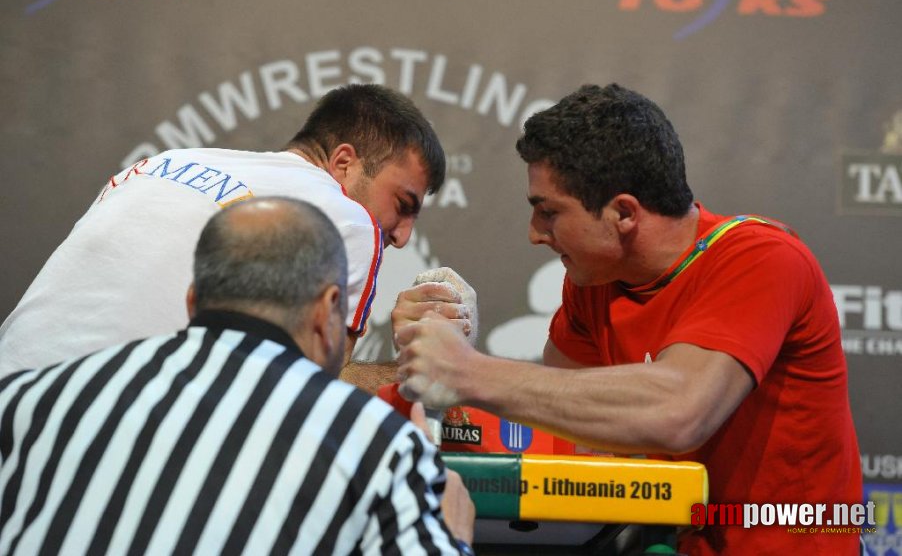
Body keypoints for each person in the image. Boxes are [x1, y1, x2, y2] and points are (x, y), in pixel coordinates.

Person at [393, 84, 863, 555]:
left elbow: (679, 411)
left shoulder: (762, 259)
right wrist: (440, 358)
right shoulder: (594, 282)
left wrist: (466, 370)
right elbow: (566, 420)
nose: (535, 234)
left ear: (623, 213)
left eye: (548, 212)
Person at [0, 197, 475, 555]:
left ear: (193, 300)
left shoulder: (25, 400)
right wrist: (451, 529)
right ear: (327, 310)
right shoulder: (375, 441)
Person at [0, 84, 451, 390]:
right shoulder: (347, 216)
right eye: (403, 204)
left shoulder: (164, 161)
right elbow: (312, 397)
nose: (403, 235)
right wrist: (416, 371)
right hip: (98, 435)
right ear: (344, 164)